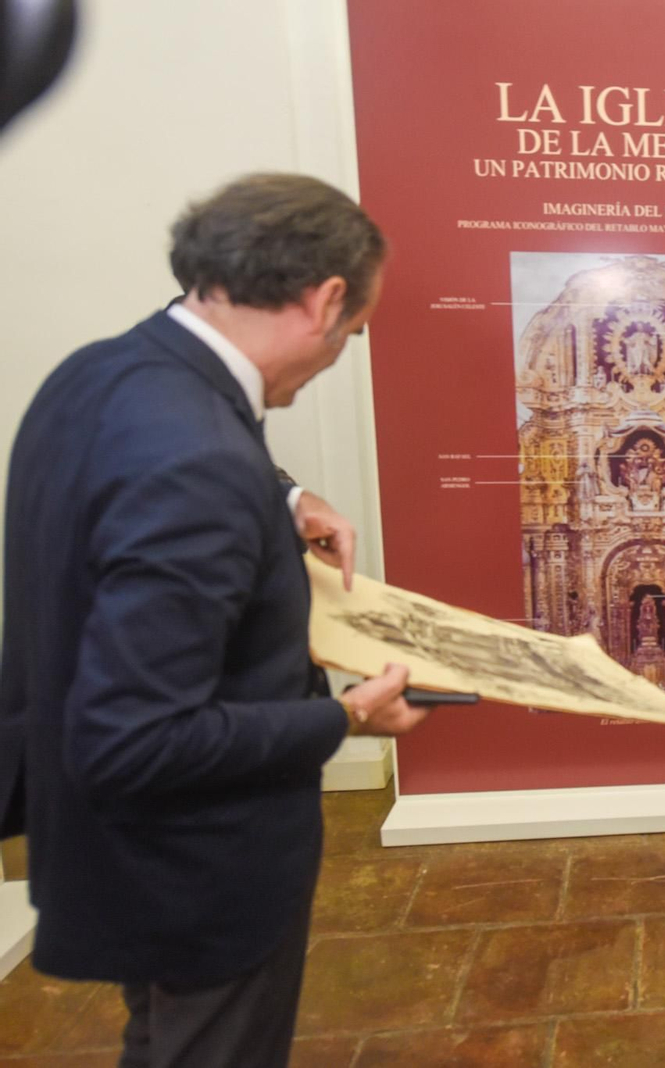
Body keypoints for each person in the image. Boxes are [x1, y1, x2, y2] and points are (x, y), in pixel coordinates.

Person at [0, 173, 431, 1068]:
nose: (341, 352)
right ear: (324, 300)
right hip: (199, 874)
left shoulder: (101, 374)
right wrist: (346, 715)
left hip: (111, 850)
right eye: (353, 333)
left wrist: (284, 499)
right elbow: (137, 737)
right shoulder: (196, 460)